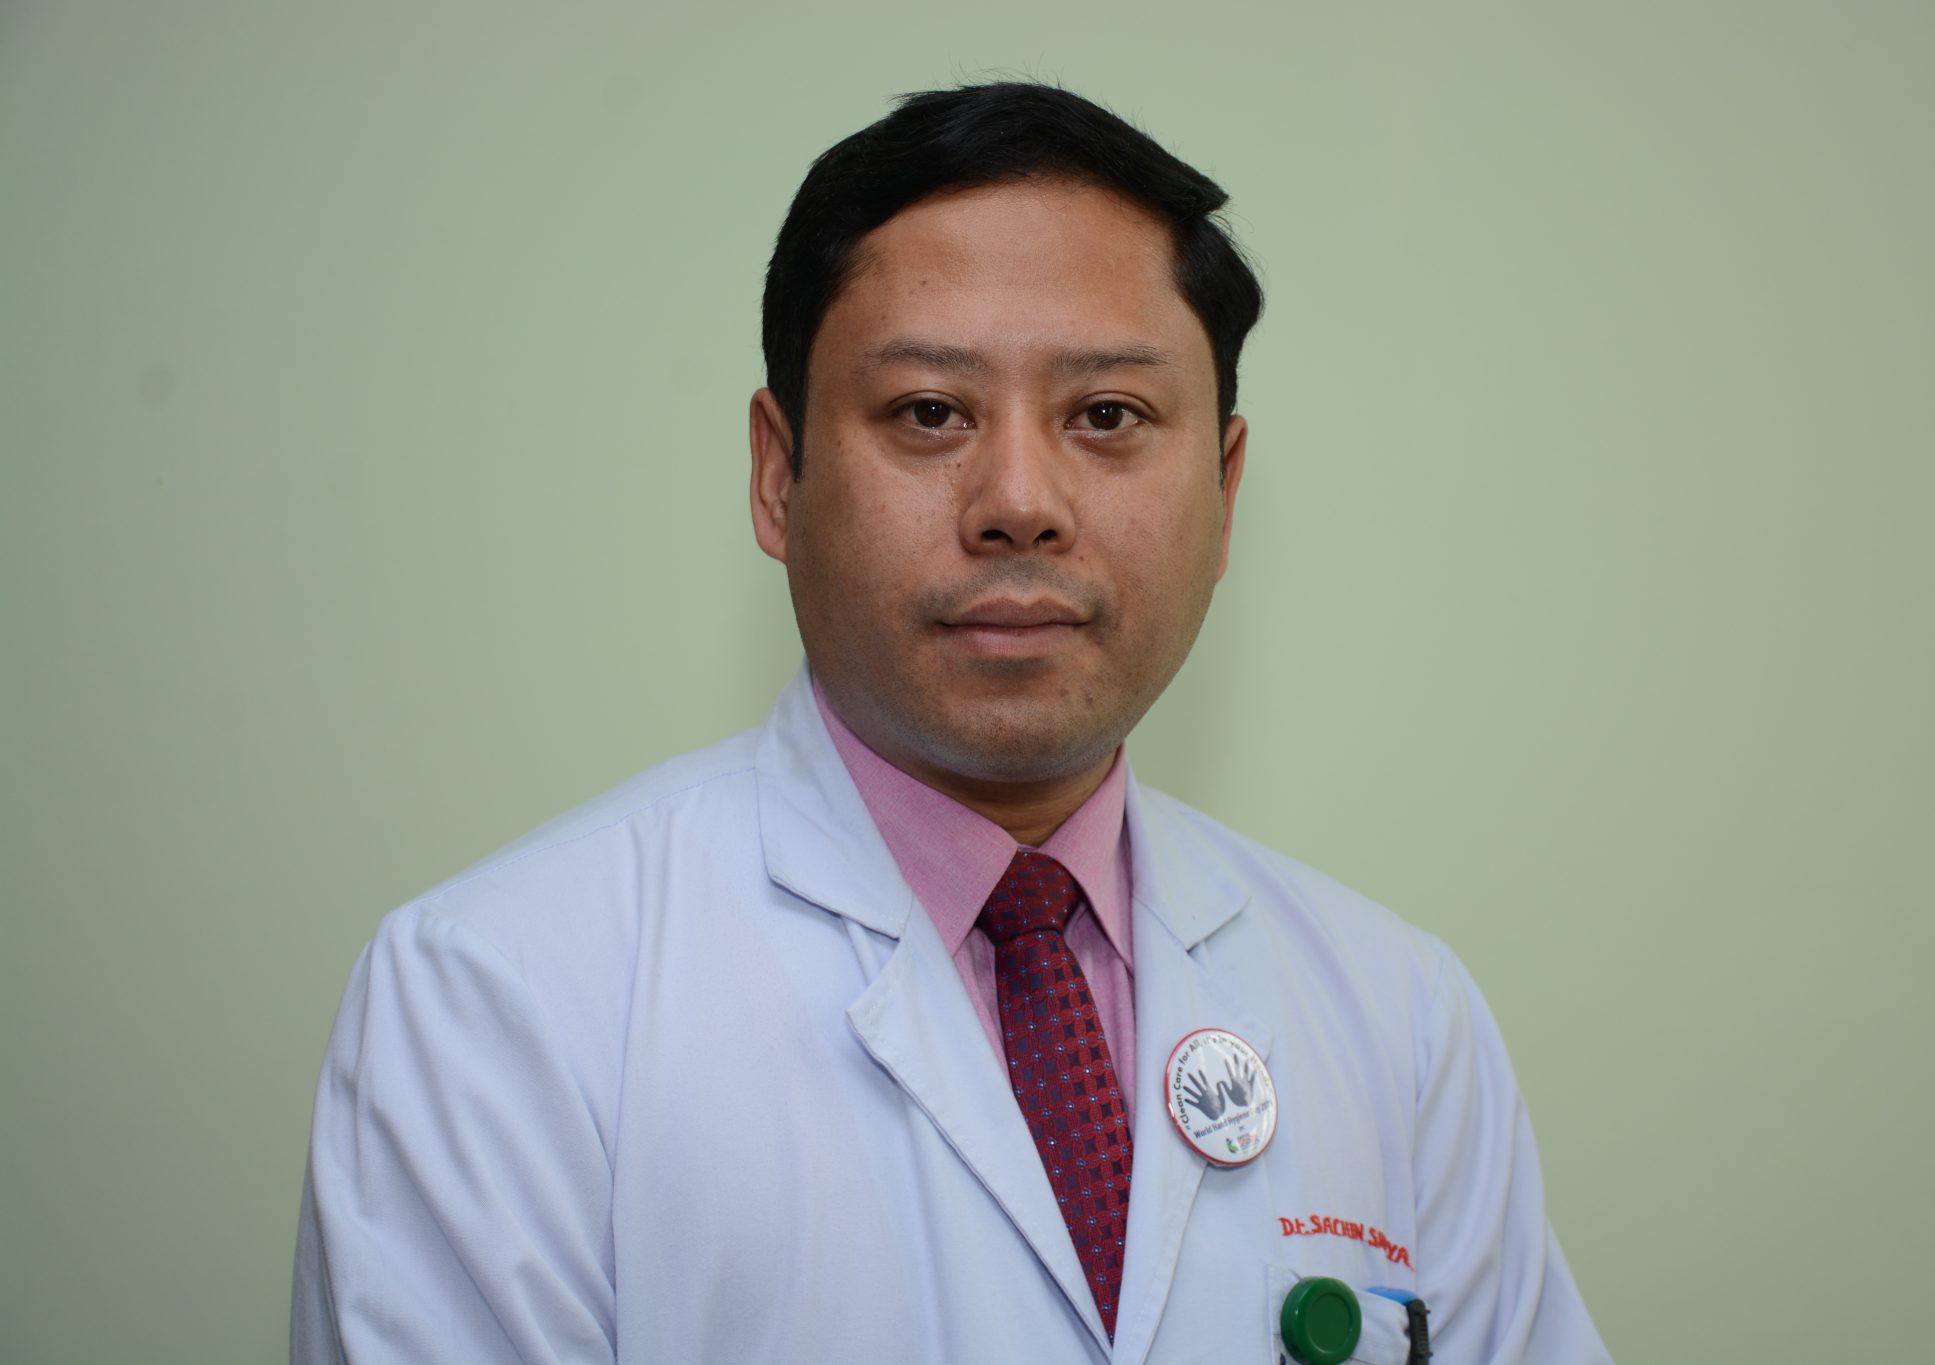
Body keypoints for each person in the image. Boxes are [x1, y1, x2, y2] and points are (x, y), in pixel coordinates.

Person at [291, 82, 1609, 1365]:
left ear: (1224, 490)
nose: (1020, 501)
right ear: (778, 474)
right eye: (929, 412)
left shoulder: (1396, 1015)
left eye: (1107, 415)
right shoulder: (500, 1001)